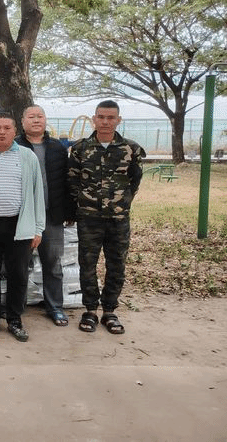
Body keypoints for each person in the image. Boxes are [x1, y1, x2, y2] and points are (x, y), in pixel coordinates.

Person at [69, 100, 145, 335]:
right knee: (87, 265)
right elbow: (72, 180)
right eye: (101, 117)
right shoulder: (81, 148)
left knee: (117, 265)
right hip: (89, 217)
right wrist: (82, 203)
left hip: (118, 219)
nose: (105, 122)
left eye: (110, 118)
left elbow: (135, 180)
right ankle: (90, 310)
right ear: (94, 119)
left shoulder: (131, 149)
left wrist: (121, 203)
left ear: (118, 120)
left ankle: (110, 311)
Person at [0, 112, 45, 342]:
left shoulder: (27, 156)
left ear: (15, 131)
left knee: (18, 274)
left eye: (7, 128)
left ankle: (15, 319)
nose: (2, 132)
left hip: (20, 225)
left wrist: (38, 228)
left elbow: (37, 193)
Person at [16, 104, 72, 327]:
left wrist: (69, 210)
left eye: (40, 116)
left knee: (53, 263)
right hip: (21, 215)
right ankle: (16, 306)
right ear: (23, 121)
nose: (36, 120)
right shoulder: (15, 146)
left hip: (51, 214)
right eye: (31, 116)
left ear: (45, 120)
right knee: (19, 263)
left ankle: (55, 307)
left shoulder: (57, 148)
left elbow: (67, 180)